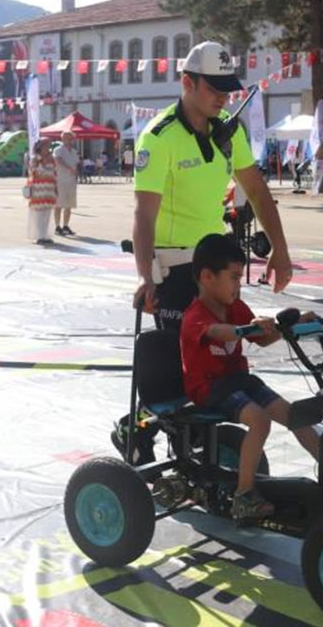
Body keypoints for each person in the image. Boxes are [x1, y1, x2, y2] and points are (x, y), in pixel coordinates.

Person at [122, 40, 293, 463]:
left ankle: (201, 455)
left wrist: (281, 250)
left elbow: (257, 191)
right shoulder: (158, 137)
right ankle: (147, 433)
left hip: (214, 269)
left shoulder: (228, 134)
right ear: (187, 82)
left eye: (227, 89)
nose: (223, 97)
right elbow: (144, 214)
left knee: (221, 361)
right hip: (174, 269)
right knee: (184, 369)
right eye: (214, 89)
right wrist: (145, 276)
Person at [182, 233, 323, 519]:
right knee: (260, 420)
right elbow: (221, 332)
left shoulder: (234, 307)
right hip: (209, 388)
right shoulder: (196, 316)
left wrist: (294, 324)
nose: (238, 285)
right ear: (207, 276)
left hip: (239, 381)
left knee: (295, 415)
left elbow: (262, 339)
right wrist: (246, 329)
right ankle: (243, 495)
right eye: (234, 277)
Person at [26, 138, 58, 244]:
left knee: (47, 212)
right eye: (45, 145)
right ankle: (39, 235)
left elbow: (55, 173)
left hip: (49, 188)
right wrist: (42, 164)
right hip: (38, 188)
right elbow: (33, 172)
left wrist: (56, 187)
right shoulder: (35, 158)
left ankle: (46, 235)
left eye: (48, 145)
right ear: (40, 147)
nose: (47, 147)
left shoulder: (52, 158)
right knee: (39, 212)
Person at [52, 134, 79, 236]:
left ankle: (66, 225)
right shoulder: (58, 150)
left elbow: (76, 163)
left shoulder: (74, 151)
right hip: (60, 179)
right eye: (68, 138)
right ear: (63, 139)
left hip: (71, 181)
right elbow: (58, 160)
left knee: (69, 204)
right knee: (59, 204)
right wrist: (69, 168)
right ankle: (57, 226)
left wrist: (75, 172)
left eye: (71, 138)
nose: (70, 140)